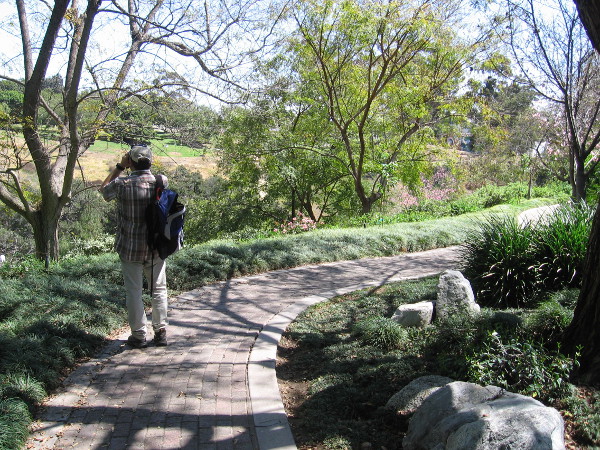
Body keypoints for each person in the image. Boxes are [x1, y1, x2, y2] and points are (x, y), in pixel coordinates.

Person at [100, 145, 169, 348]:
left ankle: (139, 335)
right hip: (156, 247)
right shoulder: (161, 180)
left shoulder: (122, 183)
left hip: (130, 247)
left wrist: (120, 166)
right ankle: (161, 331)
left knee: (134, 291)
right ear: (150, 161)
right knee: (158, 289)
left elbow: (104, 191)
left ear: (131, 161)